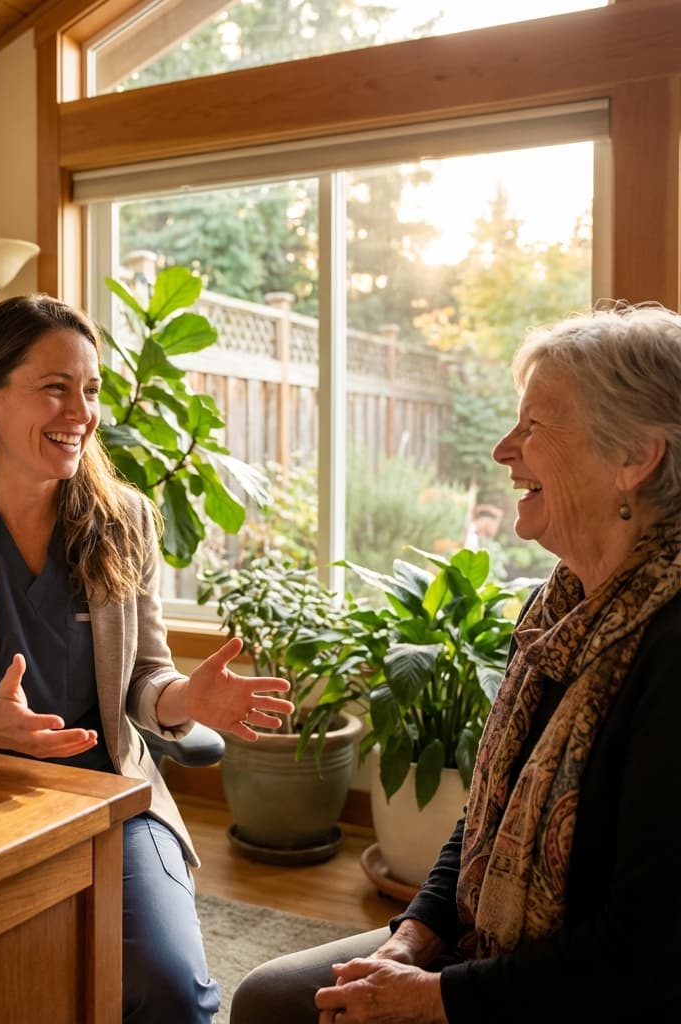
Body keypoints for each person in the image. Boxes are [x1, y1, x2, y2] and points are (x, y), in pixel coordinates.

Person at [0, 293, 294, 1024]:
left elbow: (146, 679)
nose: (80, 412)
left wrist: (188, 701)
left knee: (172, 990)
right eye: (55, 387)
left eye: (90, 390)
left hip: (103, 794)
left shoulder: (125, 518)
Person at [230, 302, 681, 1023]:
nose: (504, 449)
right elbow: (484, 820)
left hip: (596, 993)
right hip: (486, 947)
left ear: (635, 457)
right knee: (271, 999)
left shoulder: (670, 648)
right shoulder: (554, 614)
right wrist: (412, 939)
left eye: (534, 427)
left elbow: (648, 956)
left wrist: (436, 999)